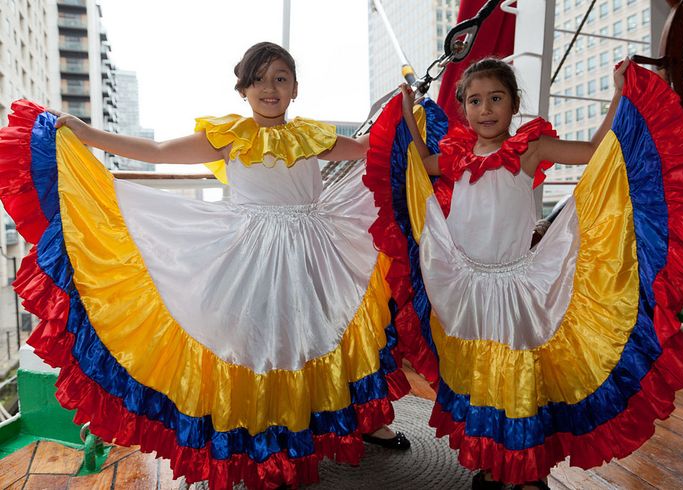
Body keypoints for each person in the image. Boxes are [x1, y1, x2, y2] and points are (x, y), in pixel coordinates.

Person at [0, 41, 411, 490]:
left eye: (280, 78)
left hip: (313, 251)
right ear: (243, 89)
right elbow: (157, 151)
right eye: (258, 80)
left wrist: (408, 112)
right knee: (254, 344)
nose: (269, 88)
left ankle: (344, 422)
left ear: (295, 88)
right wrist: (89, 135)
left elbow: (372, 148)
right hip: (250, 256)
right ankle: (258, 442)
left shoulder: (314, 135)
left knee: (317, 337)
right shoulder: (230, 136)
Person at [364, 58, 683, 489]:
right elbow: (417, 161)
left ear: (513, 104)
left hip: (515, 286)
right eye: (474, 100)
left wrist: (620, 94)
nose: (485, 109)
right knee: (481, 374)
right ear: (463, 108)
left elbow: (599, 152)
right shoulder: (455, 156)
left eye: (495, 98)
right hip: (467, 287)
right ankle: (491, 459)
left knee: (517, 376)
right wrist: (408, 108)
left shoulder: (531, 148)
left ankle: (526, 472)